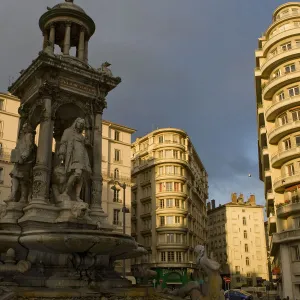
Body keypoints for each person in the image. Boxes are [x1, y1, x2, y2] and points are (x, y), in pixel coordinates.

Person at [57, 118, 91, 202]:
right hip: (73, 156)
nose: (80, 125)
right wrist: (62, 152)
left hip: (82, 157)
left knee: (81, 177)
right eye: (79, 123)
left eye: (82, 124)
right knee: (77, 173)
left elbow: (86, 144)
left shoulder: (82, 137)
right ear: (75, 123)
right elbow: (63, 143)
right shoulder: (68, 132)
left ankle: (77, 196)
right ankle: (65, 192)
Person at [5, 123, 36, 203]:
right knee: (15, 177)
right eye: (23, 127)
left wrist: (23, 157)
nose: (23, 128)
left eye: (24, 127)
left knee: (23, 180)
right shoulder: (22, 137)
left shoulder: (29, 135)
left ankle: (23, 198)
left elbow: (30, 147)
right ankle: (13, 195)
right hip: (20, 161)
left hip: (25, 162)